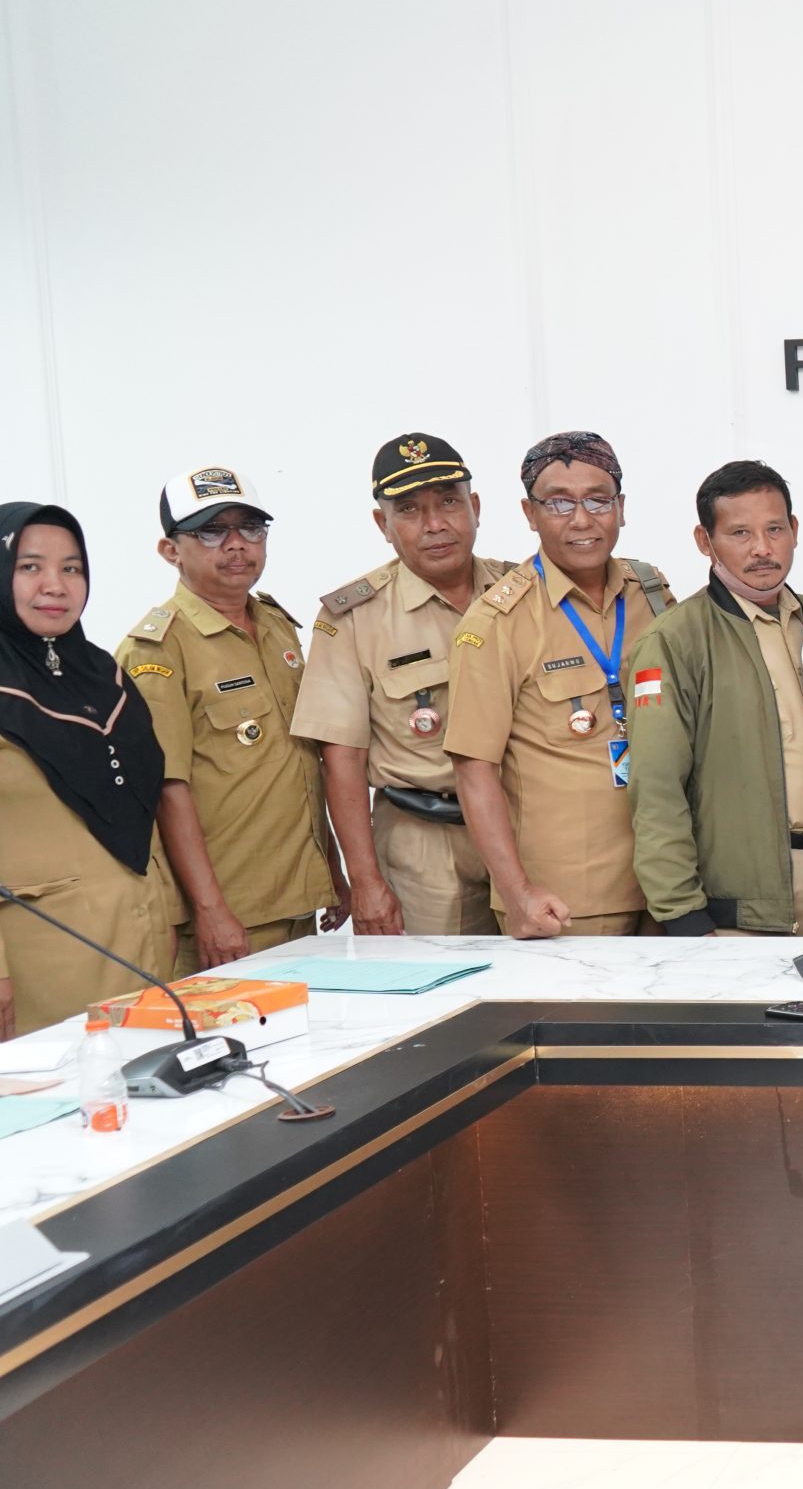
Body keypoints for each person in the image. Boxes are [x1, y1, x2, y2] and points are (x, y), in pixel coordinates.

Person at [444, 432, 672, 938]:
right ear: (530, 514)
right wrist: (518, 893)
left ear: (621, 508)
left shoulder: (651, 595)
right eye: (560, 503)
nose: (582, 520)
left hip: (667, 883)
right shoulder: (495, 623)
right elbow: (473, 771)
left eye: (598, 500)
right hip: (566, 900)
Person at [118, 464, 342, 972]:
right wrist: (210, 910)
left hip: (297, 898)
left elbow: (302, 765)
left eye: (250, 528)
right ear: (170, 550)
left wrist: (332, 871)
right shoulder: (158, 649)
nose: (236, 544)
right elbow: (165, 788)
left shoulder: (277, 626)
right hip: (227, 913)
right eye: (211, 531)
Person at [289, 434, 508, 936]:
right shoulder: (353, 618)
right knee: (443, 982)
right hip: (425, 845)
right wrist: (365, 880)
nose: (435, 524)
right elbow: (342, 759)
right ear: (382, 525)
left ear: (475, 507)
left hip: (526, 827)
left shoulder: (520, 593)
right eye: (409, 510)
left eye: (449, 502)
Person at [626, 460, 803, 936]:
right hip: (736, 911)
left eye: (774, 529)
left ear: (794, 530)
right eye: (740, 533)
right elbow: (657, 789)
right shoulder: (676, 639)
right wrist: (682, 914)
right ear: (705, 541)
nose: (762, 548)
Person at [0, 502, 171, 1039]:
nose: (55, 585)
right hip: (39, 963)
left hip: (144, 943)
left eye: (71, 567)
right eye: (30, 566)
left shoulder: (105, 674)